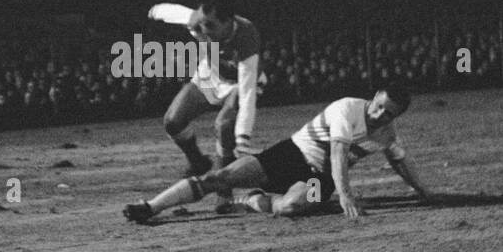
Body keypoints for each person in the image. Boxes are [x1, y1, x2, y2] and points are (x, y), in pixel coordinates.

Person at [123, 86, 432, 223]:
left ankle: (252, 200)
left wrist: (423, 191)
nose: (379, 115)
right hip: (291, 153)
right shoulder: (347, 108)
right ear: (375, 95)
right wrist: (346, 197)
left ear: (396, 115)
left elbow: (400, 161)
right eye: (379, 106)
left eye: (388, 113)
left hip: (317, 178)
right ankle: (150, 207)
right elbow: (338, 152)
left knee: (291, 207)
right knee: (219, 177)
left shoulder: (387, 133)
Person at [149, 1, 260, 209]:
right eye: (201, 24)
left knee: (224, 125)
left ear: (228, 22)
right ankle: (198, 162)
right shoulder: (200, 21)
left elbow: (247, 92)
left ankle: (223, 191)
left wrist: (243, 139)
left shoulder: (247, 35)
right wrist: (155, 10)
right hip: (211, 74)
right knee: (173, 122)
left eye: (210, 26)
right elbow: (177, 13)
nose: (203, 30)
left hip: (239, 82)